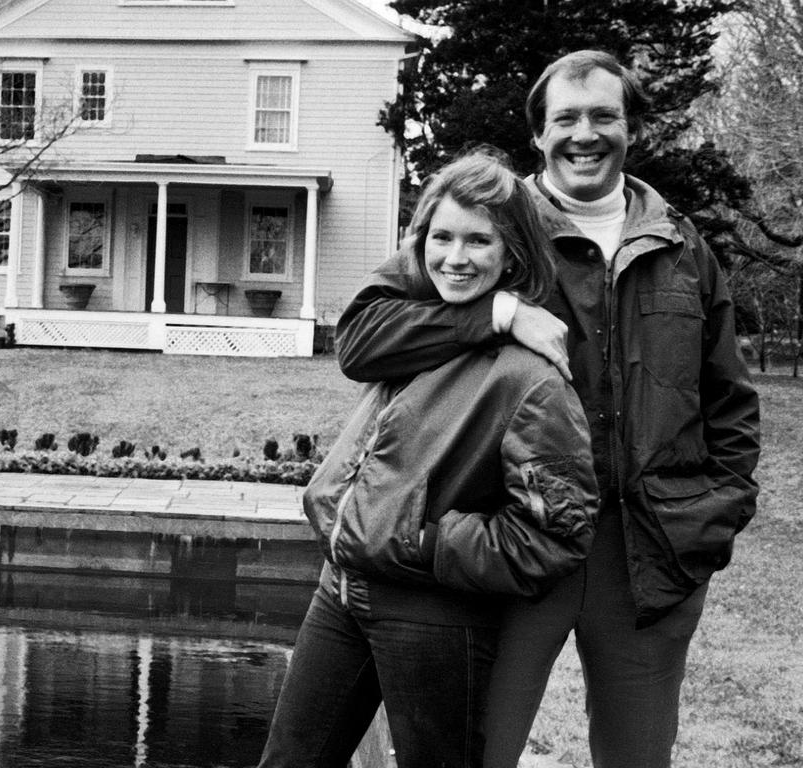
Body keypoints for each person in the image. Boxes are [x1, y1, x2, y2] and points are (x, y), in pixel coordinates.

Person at [334, 50, 761, 768]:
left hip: (650, 560)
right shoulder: (491, 225)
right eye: (565, 118)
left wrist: (711, 521)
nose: (584, 134)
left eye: (603, 116)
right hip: (516, 547)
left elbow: (731, 403)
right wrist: (496, 311)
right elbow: (361, 336)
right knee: (478, 752)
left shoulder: (683, 246)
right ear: (539, 132)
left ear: (631, 128)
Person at [257, 150, 599, 768]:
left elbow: (557, 535)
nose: (456, 257)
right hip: (341, 588)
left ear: (513, 252)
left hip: (431, 611)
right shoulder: (418, 329)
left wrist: (428, 544)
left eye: (479, 240)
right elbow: (359, 339)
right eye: (441, 237)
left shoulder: (530, 379)